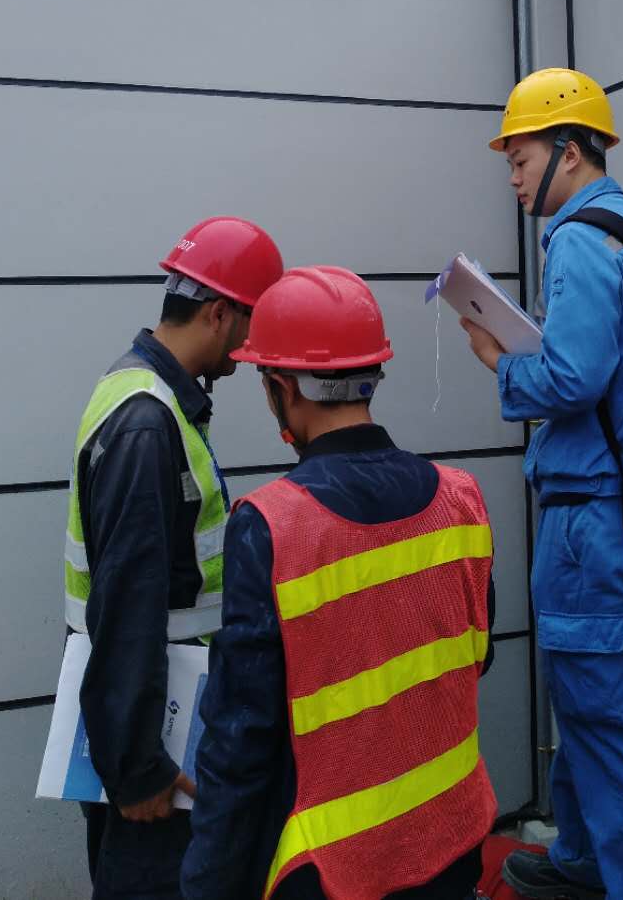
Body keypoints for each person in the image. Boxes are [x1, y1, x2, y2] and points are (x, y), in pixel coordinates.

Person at [181, 265, 498, 900]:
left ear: (280, 388)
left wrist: (206, 881)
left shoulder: (272, 525)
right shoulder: (461, 498)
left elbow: (241, 740)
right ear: (372, 374)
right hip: (454, 839)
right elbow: (476, 657)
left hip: (336, 871)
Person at [461, 67, 623, 900]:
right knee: (588, 702)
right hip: (611, 510)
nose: (513, 178)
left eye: (519, 159)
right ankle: (586, 862)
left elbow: (574, 377)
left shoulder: (583, 237)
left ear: (570, 148)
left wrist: (499, 358)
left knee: (614, 720)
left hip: (593, 520)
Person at [64, 214, 284, 899]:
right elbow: (128, 605)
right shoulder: (146, 424)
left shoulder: (144, 395)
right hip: (154, 743)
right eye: (251, 323)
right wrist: (139, 770)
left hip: (159, 718)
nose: (252, 347)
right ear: (219, 313)